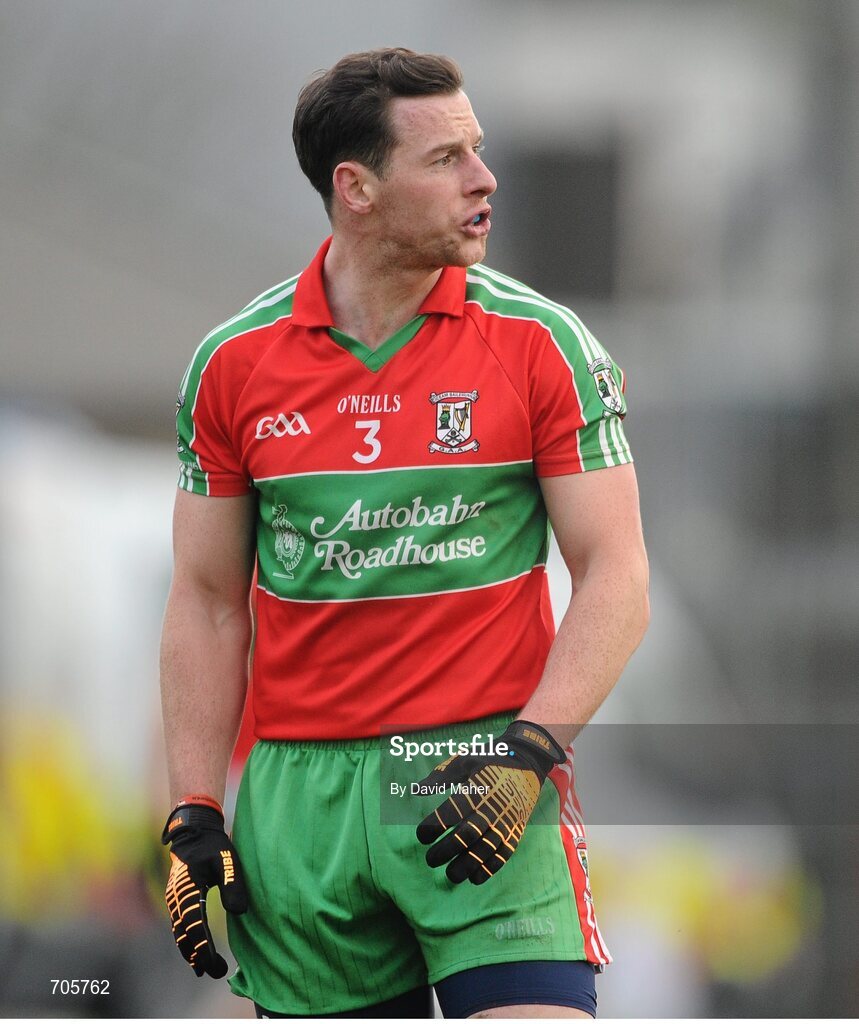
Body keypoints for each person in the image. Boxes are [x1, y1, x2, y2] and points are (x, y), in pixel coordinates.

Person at [160, 48, 649, 1019]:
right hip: (302, 805)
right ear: (357, 189)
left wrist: (529, 754)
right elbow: (208, 603)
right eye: (445, 160)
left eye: (479, 150)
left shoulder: (540, 342)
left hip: (485, 779)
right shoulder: (231, 366)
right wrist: (191, 811)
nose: (484, 179)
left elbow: (616, 576)